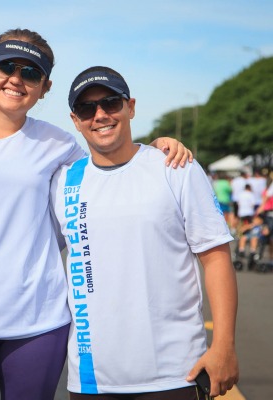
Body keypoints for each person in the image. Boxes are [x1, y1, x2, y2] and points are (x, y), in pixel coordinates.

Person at [0, 28, 192, 400]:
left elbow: (108, 177)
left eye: (31, 73)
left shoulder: (60, 144)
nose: (16, 80)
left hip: (39, 322)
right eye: (7, 67)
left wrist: (155, 150)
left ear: (45, 86)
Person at [50, 66, 238, 399]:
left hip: (174, 373)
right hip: (92, 380)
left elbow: (216, 259)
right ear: (75, 120)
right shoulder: (64, 181)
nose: (100, 115)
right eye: (86, 108)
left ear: (130, 107)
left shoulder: (175, 167)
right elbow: (21, 235)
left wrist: (223, 346)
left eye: (110, 103)